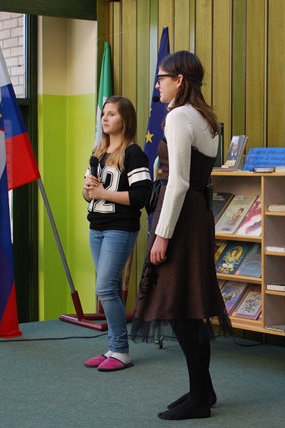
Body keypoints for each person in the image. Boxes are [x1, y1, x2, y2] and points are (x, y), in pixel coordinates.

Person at [130, 50, 232, 420]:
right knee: (188, 305)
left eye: (162, 78)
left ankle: (200, 398)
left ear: (179, 80)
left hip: (181, 219)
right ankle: (203, 389)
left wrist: (162, 234)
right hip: (197, 216)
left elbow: (178, 183)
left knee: (180, 307)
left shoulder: (178, 116)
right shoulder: (205, 117)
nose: (157, 84)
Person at [82, 96, 152, 372]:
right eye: (104, 113)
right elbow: (88, 196)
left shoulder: (134, 153)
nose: (105, 118)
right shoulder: (98, 153)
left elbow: (141, 196)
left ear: (126, 119)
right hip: (96, 227)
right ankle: (113, 348)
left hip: (120, 228)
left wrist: (103, 193)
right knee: (108, 288)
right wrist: (88, 189)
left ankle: (121, 351)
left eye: (112, 114)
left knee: (105, 287)